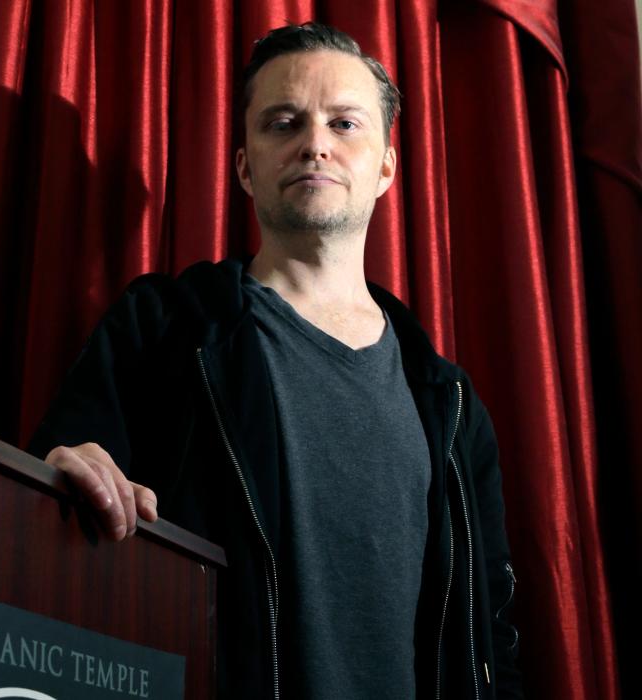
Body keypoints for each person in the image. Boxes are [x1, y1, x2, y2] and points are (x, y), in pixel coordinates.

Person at [29, 22, 522, 699]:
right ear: (243, 165)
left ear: (385, 166)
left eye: (344, 124)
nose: (314, 143)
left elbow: (490, 634)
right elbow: (61, 475)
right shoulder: (165, 330)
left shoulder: (449, 402)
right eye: (283, 122)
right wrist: (57, 475)